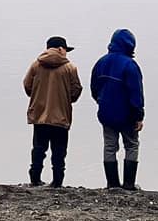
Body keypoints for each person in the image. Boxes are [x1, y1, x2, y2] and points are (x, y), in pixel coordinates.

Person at [22, 36, 82, 187]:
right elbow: (76, 91)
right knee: (59, 151)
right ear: (61, 49)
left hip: (40, 115)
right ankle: (57, 181)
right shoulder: (70, 68)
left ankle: (35, 179)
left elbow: (27, 85)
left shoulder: (36, 65)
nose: (66, 53)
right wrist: (67, 99)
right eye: (66, 50)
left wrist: (37, 95)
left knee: (38, 149)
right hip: (61, 117)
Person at [90, 29, 145, 191]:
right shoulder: (130, 65)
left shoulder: (101, 63)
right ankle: (129, 184)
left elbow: (94, 88)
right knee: (132, 145)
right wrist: (139, 115)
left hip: (106, 113)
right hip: (127, 115)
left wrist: (101, 102)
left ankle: (112, 183)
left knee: (109, 146)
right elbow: (136, 93)